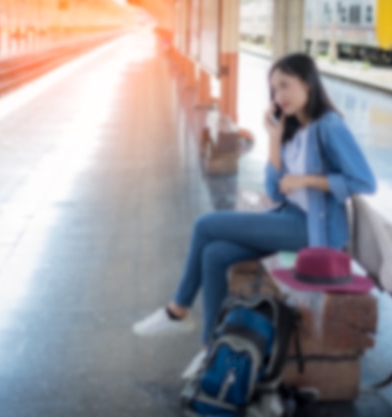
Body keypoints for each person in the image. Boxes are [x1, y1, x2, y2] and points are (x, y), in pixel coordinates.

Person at [132, 53, 376, 378]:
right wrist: (274, 141)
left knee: (205, 225)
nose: (279, 96)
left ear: (308, 82)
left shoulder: (328, 127)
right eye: (274, 90)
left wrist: (307, 180)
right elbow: (275, 193)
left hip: (310, 232)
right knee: (214, 254)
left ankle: (178, 310)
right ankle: (210, 349)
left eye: (285, 86)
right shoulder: (293, 131)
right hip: (288, 217)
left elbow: (365, 181)